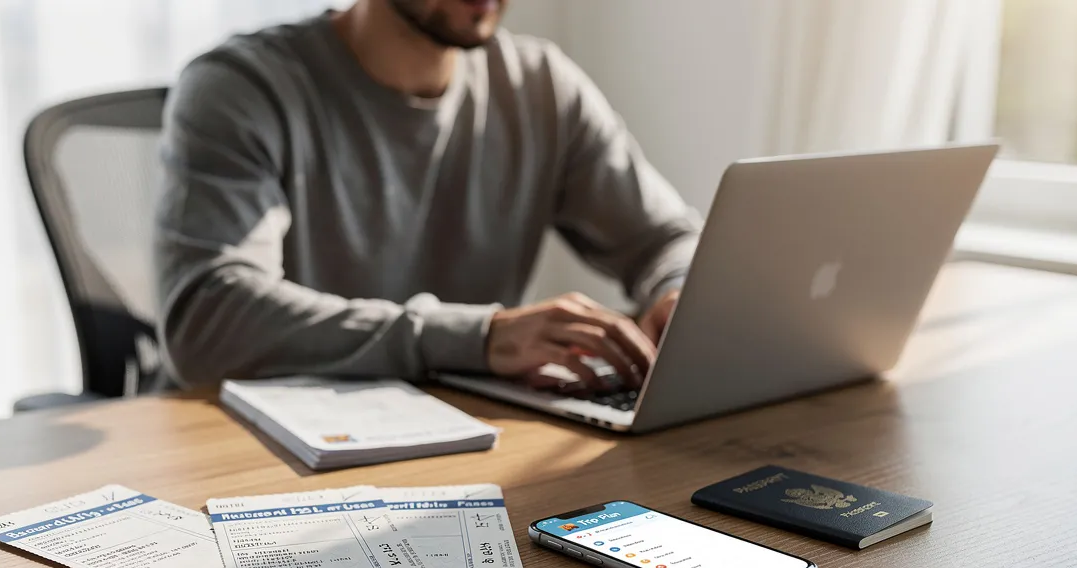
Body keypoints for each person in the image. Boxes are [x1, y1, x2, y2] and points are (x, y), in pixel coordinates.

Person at [155, 0, 700, 392]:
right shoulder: (241, 88)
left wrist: (677, 292)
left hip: (460, 438)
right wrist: (477, 340)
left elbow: (667, 239)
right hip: (253, 447)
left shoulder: (540, 87)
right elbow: (209, 318)